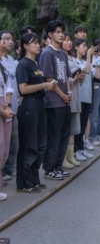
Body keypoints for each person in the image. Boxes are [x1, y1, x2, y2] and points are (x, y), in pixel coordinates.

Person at [16, 33, 55, 193]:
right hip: (29, 107)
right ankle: (24, 182)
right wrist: (44, 85)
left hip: (39, 105)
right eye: (34, 43)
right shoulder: (23, 65)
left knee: (40, 144)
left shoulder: (35, 63)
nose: (38, 45)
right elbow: (23, 89)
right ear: (25, 46)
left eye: (38, 43)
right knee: (29, 144)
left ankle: (34, 179)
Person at [39, 20, 72, 180]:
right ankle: (49, 168)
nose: (61, 34)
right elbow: (50, 79)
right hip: (53, 102)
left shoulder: (63, 54)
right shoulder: (47, 53)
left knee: (64, 135)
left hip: (65, 101)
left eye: (62, 31)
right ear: (50, 34)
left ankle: (58, 166)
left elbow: (65, 77)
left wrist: (69, 92)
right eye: (58, 31)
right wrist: (63, 95)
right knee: (53, 136)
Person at [62, 33, 84, 168]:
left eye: (70, 40)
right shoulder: (60, 57)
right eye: (66, 40)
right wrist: (73, 79)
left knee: (74, 129)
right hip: (65, 98)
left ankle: (70, 156)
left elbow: (76, 81)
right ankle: (63, 157)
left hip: (76, 97)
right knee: (65, 129)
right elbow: (61, 80)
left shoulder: (72, 57)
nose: (69, 43)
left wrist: (79, 78)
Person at [0, 30, 18, 182]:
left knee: (11, 139)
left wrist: (13, 101)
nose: (10, 42)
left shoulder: (11, 60)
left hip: (11, 105)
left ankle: (9, 167)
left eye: (12, 39)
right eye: (6, 39)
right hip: (3, 106)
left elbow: (11, 84)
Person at [73, 38, 94, 160]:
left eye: (86, 46)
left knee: (83, 123)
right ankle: (76, 150)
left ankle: (81, 148)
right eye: (83, 46)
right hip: (78, 98)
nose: (86, 48)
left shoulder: (87, 62)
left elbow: (94, 73)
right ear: (76, 47)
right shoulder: (74, 62)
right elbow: (86, 70)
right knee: (77, 125)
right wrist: (90, 56)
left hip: (87, 97)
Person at [0, 57, 14, 199]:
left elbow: (8, 86)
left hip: (5, 105)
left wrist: (7, 105)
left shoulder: (3, 66)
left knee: (5, 149)